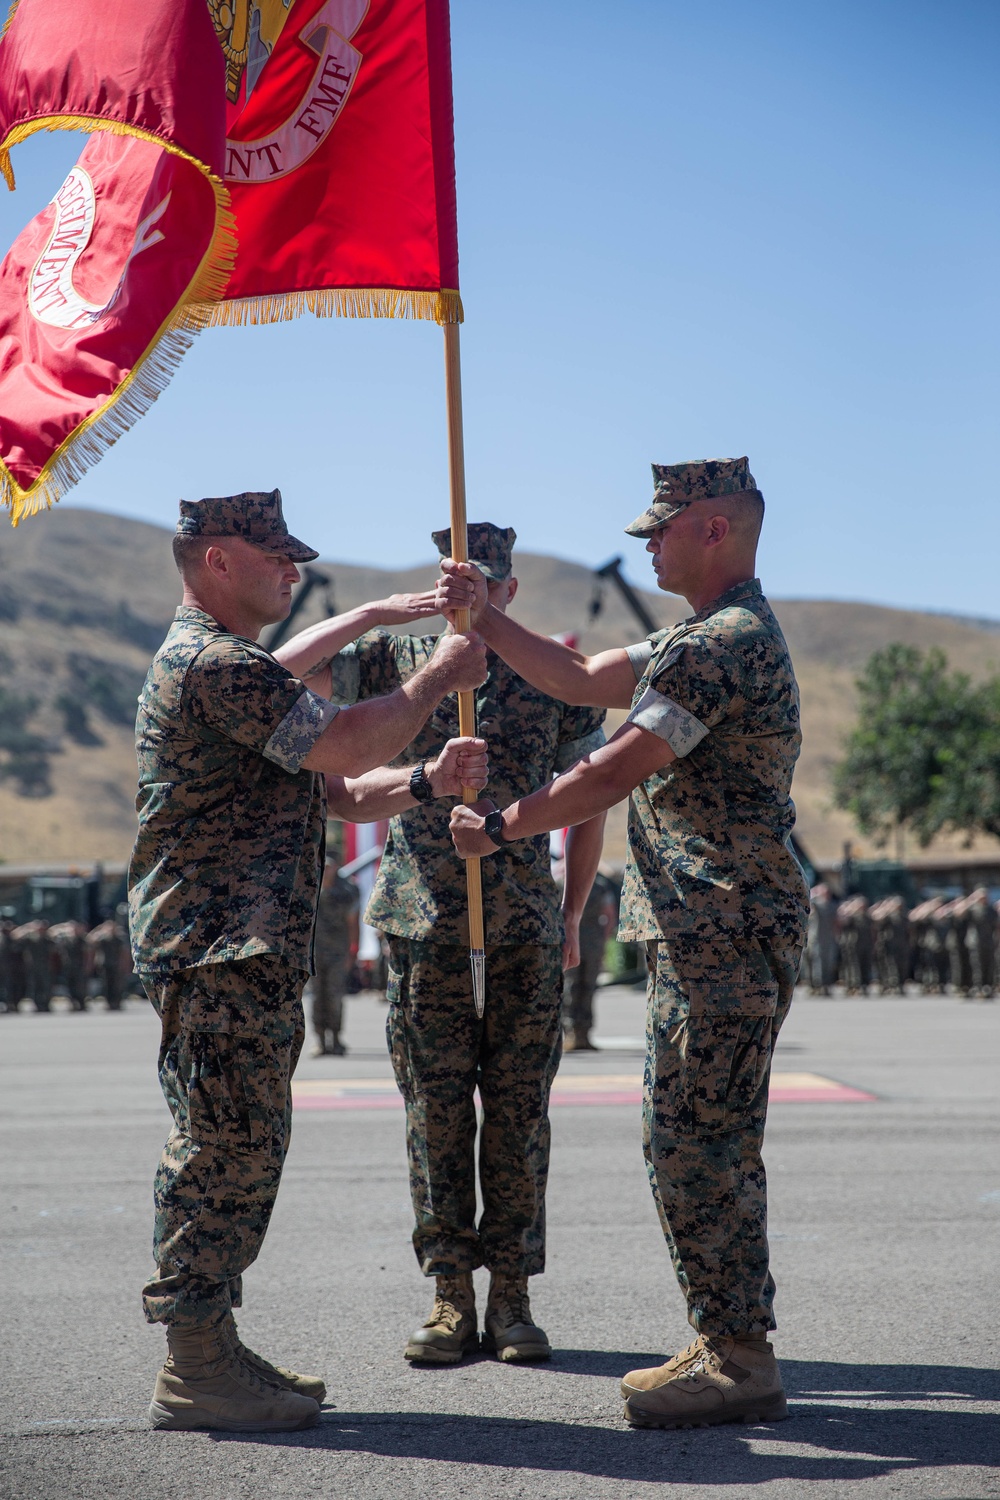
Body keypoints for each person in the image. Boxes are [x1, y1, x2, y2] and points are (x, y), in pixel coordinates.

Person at [442, 458, 809, 1429]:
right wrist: (483, 617)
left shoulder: (716, 647)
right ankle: (726, 1334)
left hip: (722, 928)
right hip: (711, 931)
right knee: (698, 1137)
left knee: (697, 1142)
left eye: (662, 527)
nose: (646, 542)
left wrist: (505, 824)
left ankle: (738, 1355)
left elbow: (612, 769)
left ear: (716, 530)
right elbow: (574, 677)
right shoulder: (697, 637)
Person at [129, 488, 487, 1434]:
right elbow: (341, 738)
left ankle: (213, 1342)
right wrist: (433, 675)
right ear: (214, 559)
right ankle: (193, 1363)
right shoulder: (213, 665)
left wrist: (422, 780)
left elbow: (333, 788)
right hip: (216, 951)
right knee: (219, 1151)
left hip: (241, 951)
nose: (292, 568)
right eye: (272, 553)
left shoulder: (239, 667)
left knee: (244, 1149)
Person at [280, 522, 607, 1366]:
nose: (472, 597)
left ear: (509, 591)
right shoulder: (396, 665)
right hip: (425, 926)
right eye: (457, 583)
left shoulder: (548, 672)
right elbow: (322, 750)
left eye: (486, 584)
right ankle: (448, 1294)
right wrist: (422, 775)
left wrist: (571, 915)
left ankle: (515, 1296)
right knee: (434, 1116)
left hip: (525, 929)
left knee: (520, 1116)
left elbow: (590, 801)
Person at [307, 851, 360, 1056]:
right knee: (316, 997)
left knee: (335, 996)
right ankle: (320, 1040)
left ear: (336, 867)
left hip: (338, 953)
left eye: (330, 866)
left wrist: (353, 951)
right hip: (314, 954)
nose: (326, 869)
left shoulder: (347, 890)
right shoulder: (310, 886)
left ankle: (336, 1039)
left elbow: (353, 922)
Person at [560, 867, 617, 1050]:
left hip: (571, 942)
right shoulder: (600, 886)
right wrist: (603, 938)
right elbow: (609, 915)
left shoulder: (562, 884)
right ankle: (580, 1035)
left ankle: (575, 1034)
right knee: (587, 988)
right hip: (593, 943)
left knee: (572, 988)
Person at [804, 883, 838, 995]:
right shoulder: (815, 905)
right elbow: (806, 899)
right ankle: (816, 986)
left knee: (828, 964)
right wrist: (814, 892)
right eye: (824, 892)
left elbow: (837, 922)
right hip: (815, 940)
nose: (826, 894)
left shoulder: (832, 906)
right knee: (816, 964)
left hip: (828, 939)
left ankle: (826, 986)